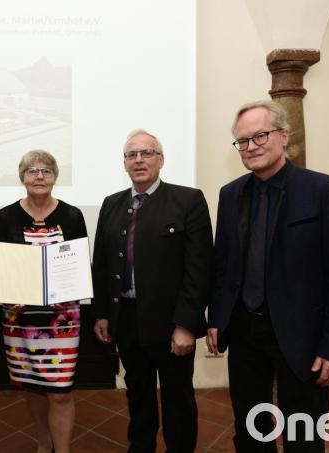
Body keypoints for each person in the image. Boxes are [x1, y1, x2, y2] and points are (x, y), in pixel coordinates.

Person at [207, 100, 329, 452]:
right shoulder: (230, 195)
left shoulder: (326, 192)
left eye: (260, 135)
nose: (251, 146)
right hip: (245, 332)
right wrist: (217, 318)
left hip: (302, 336)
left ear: (283, 136)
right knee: (249, 429)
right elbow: (224, 265)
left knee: (303, 435)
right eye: (243, 141)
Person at [92, 129, 213, 452]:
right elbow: (101, 265)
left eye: (147, 153)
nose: (139, 160)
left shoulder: (188, 200)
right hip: (127, 319)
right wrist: (102, 314)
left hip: (171, 322)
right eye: (132, 155)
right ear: (124, 163)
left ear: (161, 160)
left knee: (177, 397)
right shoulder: (112, 204)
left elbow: (198, 269)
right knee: (137, 391)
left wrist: (186, 324)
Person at [0, 150, 87, 453]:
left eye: (46, 171)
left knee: (60, 391)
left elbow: (78, 264)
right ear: (22, 177)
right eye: (32, 171)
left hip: (62, 321)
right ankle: (43, 443)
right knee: (31, 386)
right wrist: (11, 288)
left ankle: (62, 449)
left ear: (55, 177)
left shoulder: (72, 216)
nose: (39, 177)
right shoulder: (6, 216)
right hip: (20, 319)